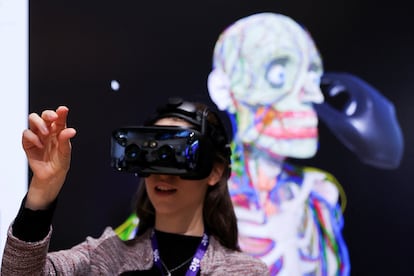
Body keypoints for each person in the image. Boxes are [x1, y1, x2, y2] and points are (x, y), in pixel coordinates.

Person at [1, 98, 269, 275]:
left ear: (214, 171)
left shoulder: (244, 271)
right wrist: (43, 187)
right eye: (152, 153)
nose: (163, 174)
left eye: (177, 154)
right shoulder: (105, 258)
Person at [207, 13, 350, 275]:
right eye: (279, 72)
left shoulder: (319, 196)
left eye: (312, 77)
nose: (314, 94)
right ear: (224, 91)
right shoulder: (197, 201)